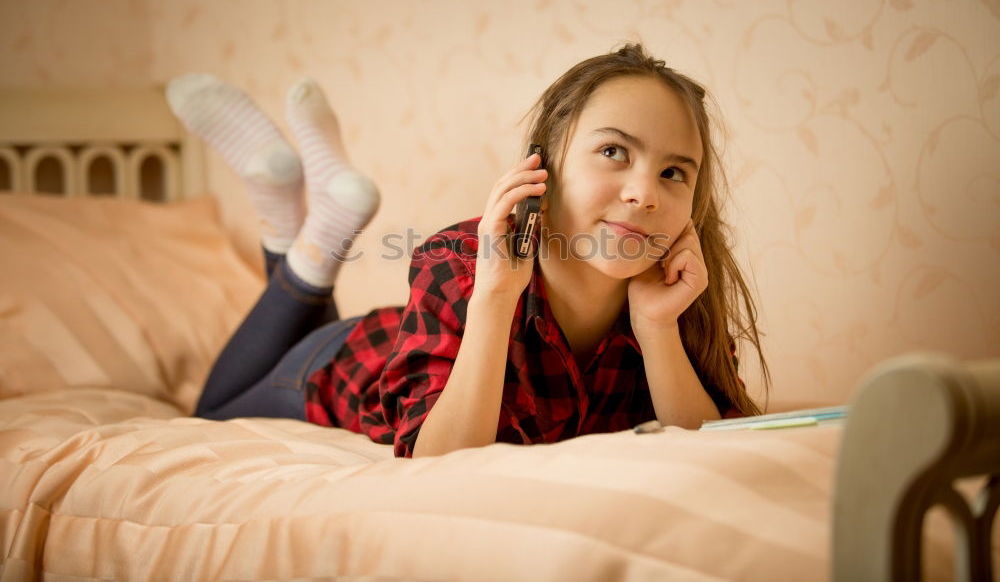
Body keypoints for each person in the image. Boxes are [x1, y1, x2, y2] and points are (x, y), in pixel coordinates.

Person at [167, 42, 770, 459]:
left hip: (385, 339)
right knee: (205, 411)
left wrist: (657, 326)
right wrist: (495, 295)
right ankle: (309, 234)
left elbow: (711, 445)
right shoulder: (462, 256)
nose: (644, 194)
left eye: (674, 174)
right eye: (613, 152)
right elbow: (439, 457)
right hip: (333, 368)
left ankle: (308, 215)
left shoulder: (675, 286)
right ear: (543, 167)